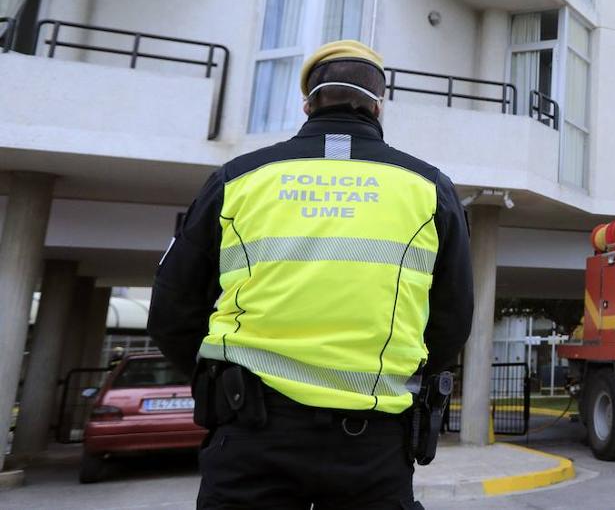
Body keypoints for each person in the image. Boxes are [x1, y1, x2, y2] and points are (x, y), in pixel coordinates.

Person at [148, 40, 473, 509]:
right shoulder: (430, 189)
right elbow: (452, 321)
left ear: (307, 104)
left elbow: (171, 312)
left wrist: (222, 382)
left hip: (250, 433)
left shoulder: (237, 179)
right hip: (372, 443)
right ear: (378, 107)